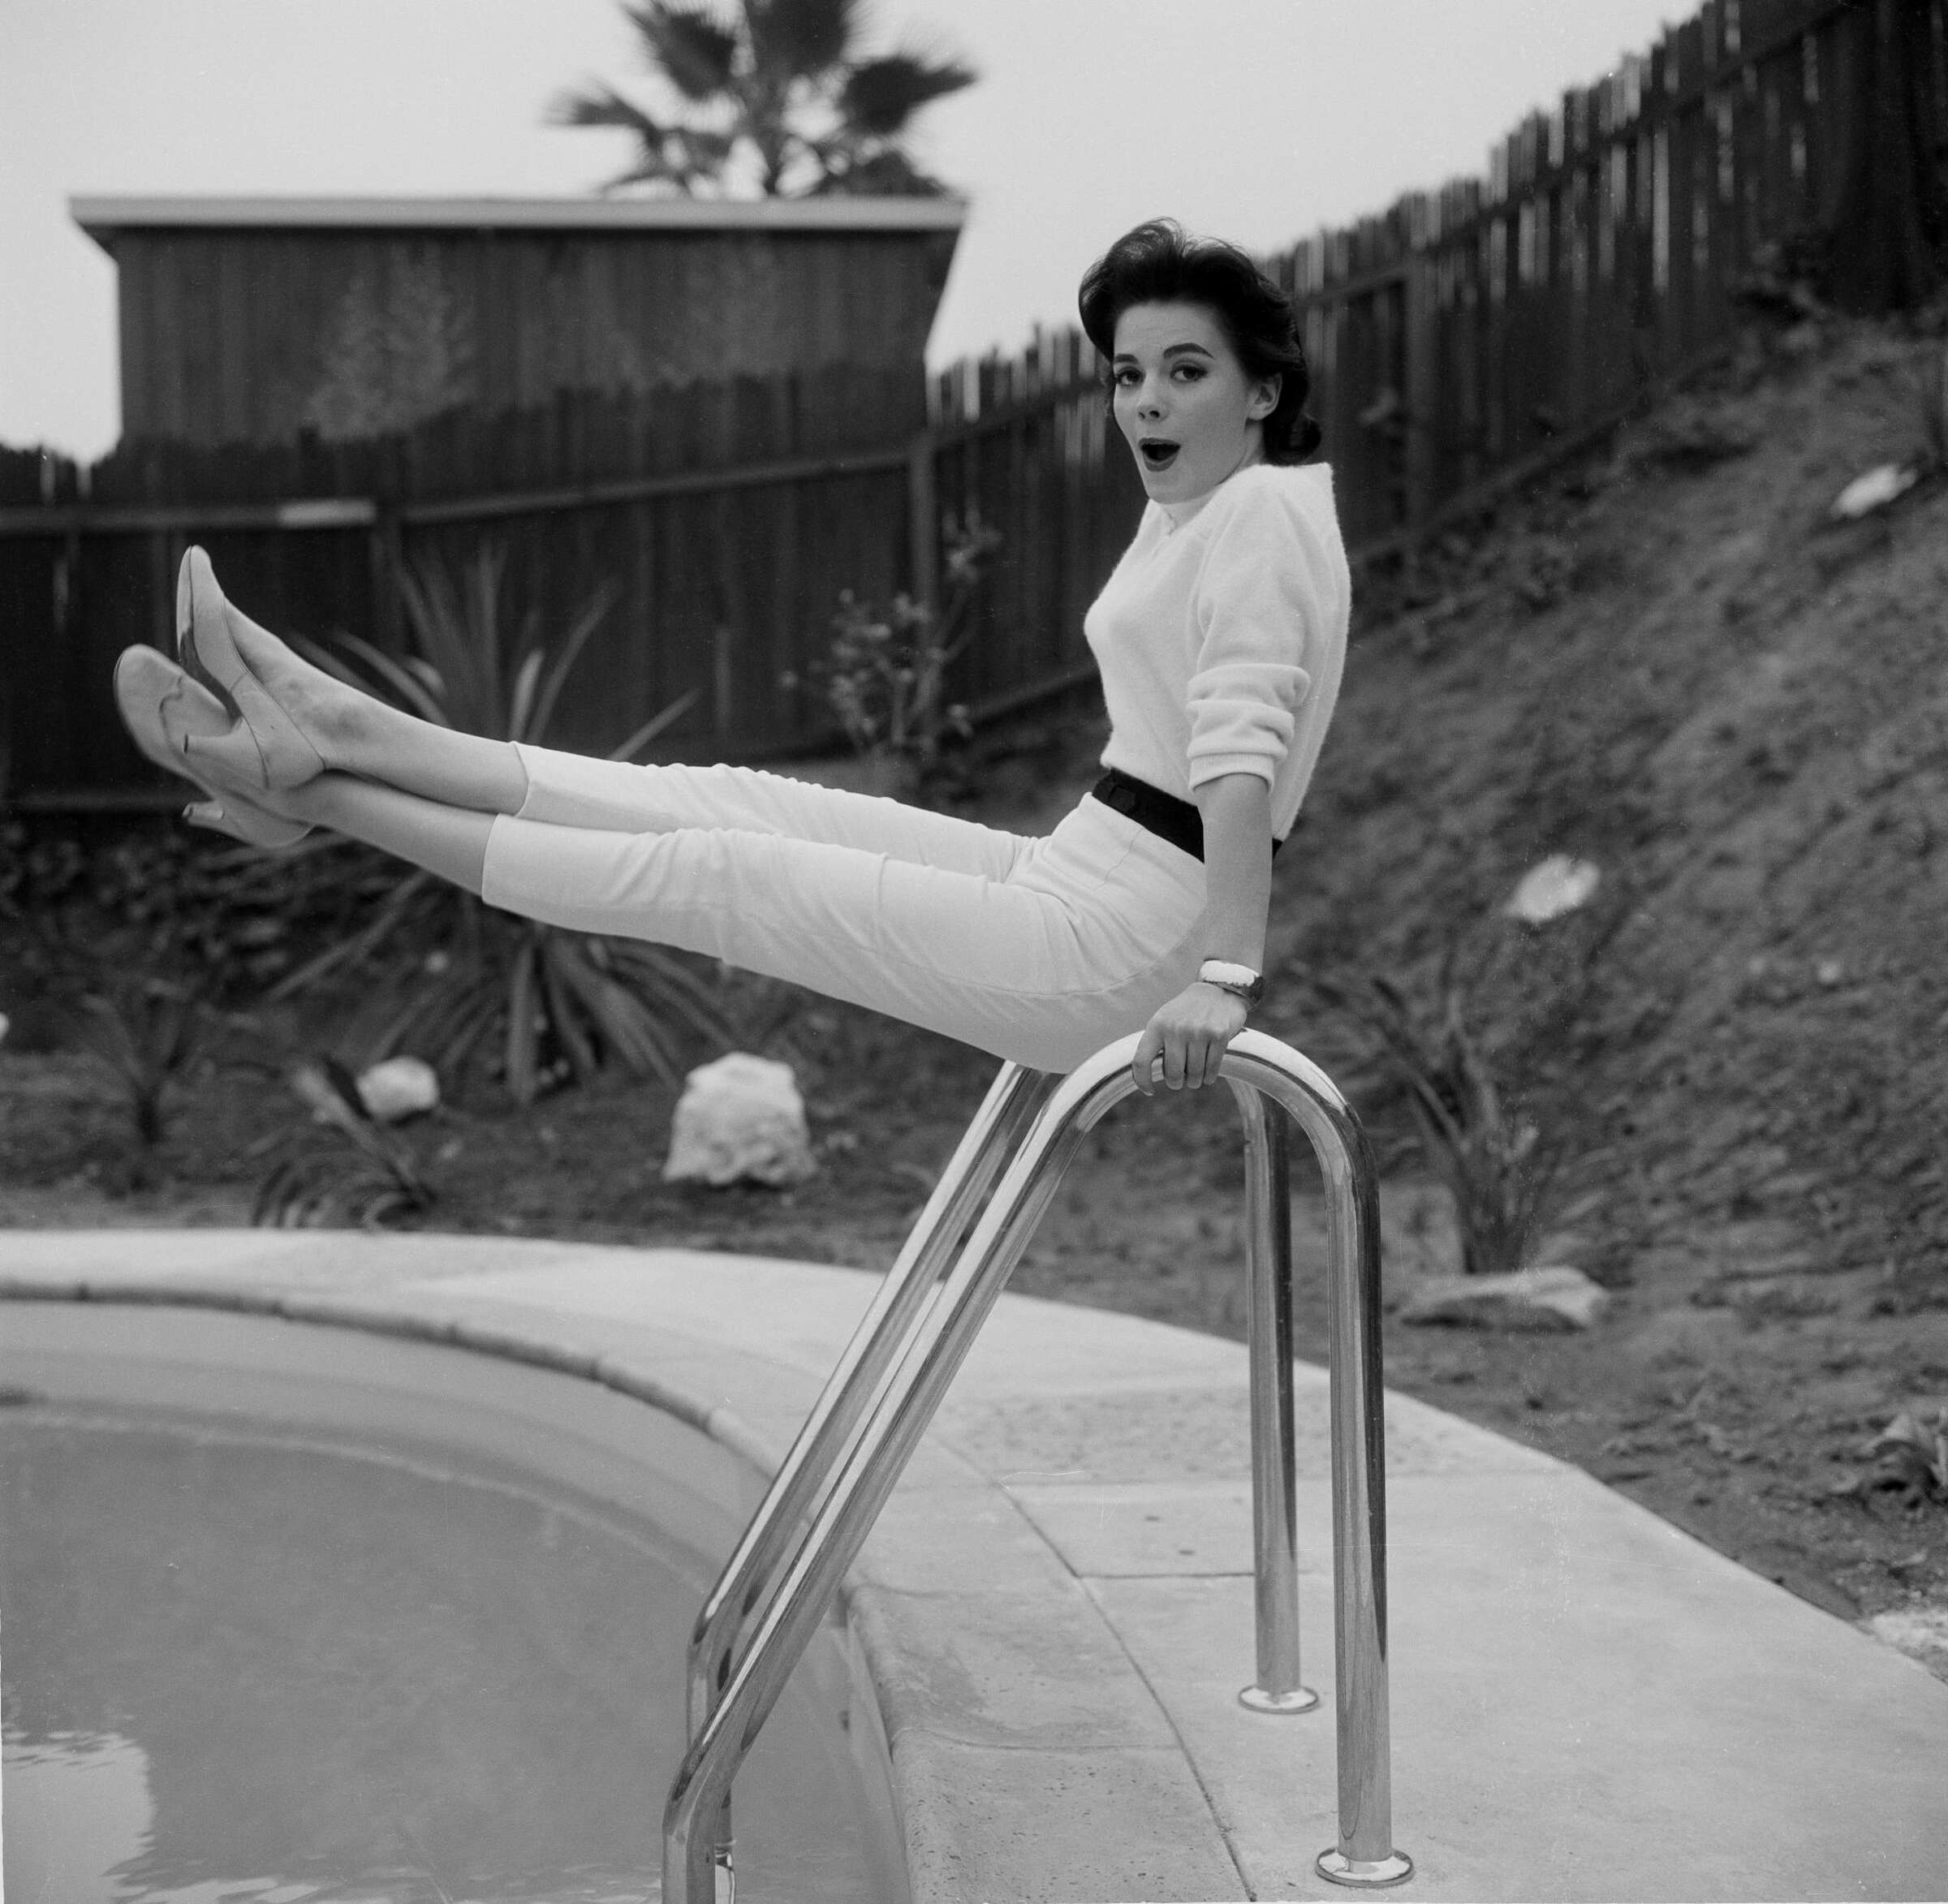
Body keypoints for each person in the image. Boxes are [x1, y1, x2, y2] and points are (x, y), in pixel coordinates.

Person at [113, 219, 1349, 1095]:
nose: (1144, 403)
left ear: (1261, 389)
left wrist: (1226, 975)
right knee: (733, 801)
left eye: (1186, 374)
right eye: (1130, 374)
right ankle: (333, 730)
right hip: (1079, 873)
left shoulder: (1260, 516)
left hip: (1136, 942)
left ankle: (314, 788)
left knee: (725, 871)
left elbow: (1240, 753)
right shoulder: (1205, 510)